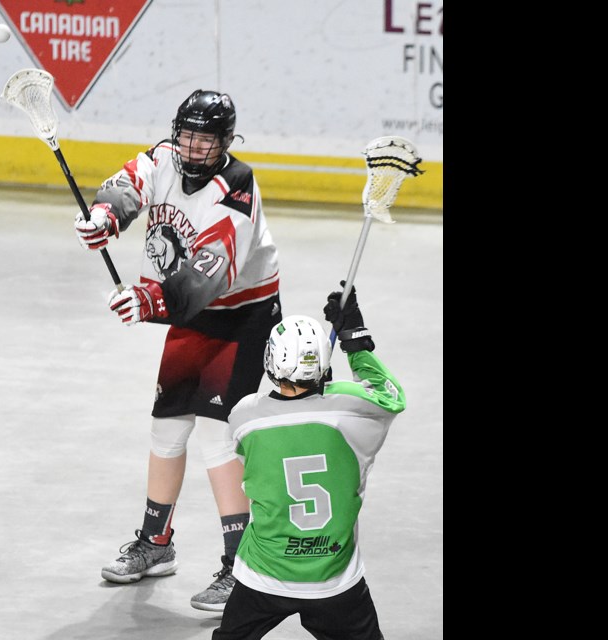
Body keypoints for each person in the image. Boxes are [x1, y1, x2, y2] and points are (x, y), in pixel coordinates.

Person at [73, 89, 281, 611]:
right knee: (166, 425)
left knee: (215, 435)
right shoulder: (162, 158)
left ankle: (241, 565)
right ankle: (155, 543)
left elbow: (211, 272)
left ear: (225, 143)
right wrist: (105, 217)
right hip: (190, 315)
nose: (191, 148)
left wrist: (150, 298)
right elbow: (126, 186)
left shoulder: (237, 186)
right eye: (186, 135)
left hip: (241, 316)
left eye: (205, 139)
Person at [211, 285, 406, 640]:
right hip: (332, 581)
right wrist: (355, 337)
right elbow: (390, 395)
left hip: (263, 575)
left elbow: (257, 434)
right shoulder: (353, 410)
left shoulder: (245, 417)